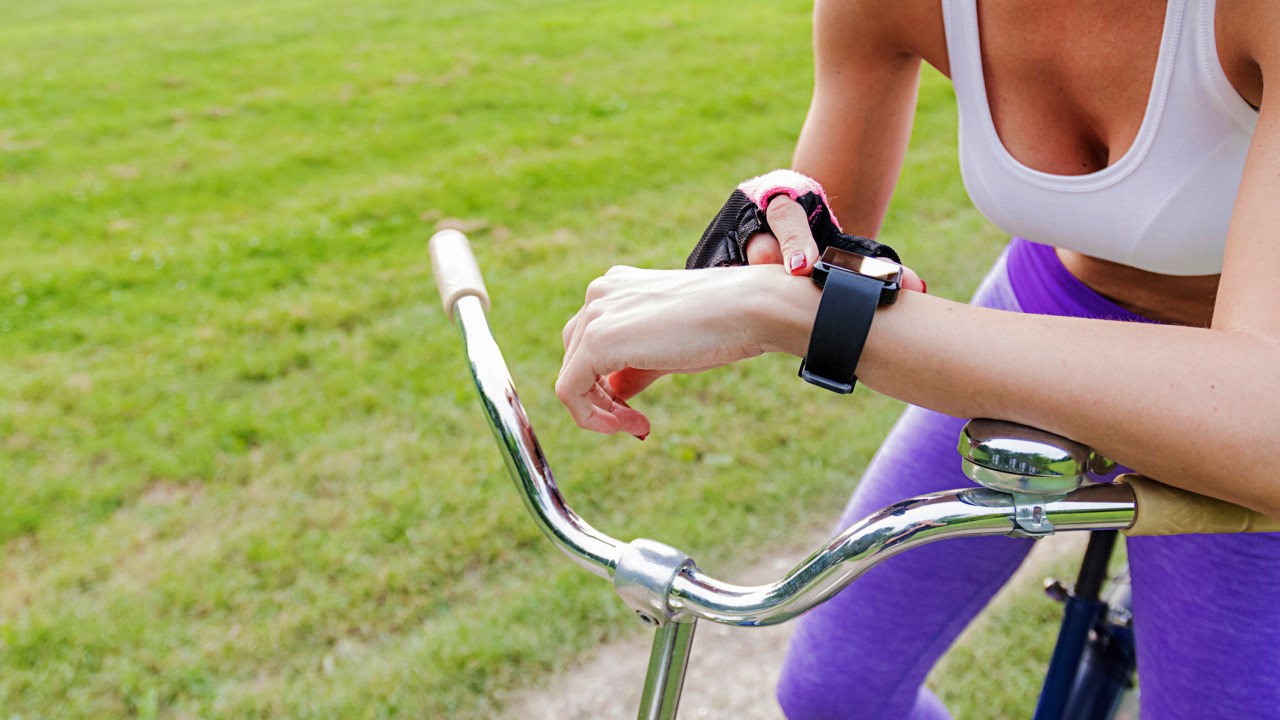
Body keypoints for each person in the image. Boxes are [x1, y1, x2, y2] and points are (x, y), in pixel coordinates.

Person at [555, 0, 1280, 717]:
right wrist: (779, 221)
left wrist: (794, 315)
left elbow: (1263, 429)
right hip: (1051, 300)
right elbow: (828, 246)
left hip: (1251, 387)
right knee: (835, 693)